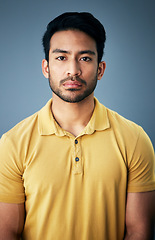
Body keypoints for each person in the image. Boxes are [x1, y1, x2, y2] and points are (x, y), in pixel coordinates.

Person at [0, 12, 154, 240]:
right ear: (46, 68)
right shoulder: (13, 143)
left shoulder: (134, 138)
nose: (73, 70)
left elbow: (139, 232)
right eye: (61, 58)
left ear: (100, 69)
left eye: (85, 58)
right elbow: (6, 232)